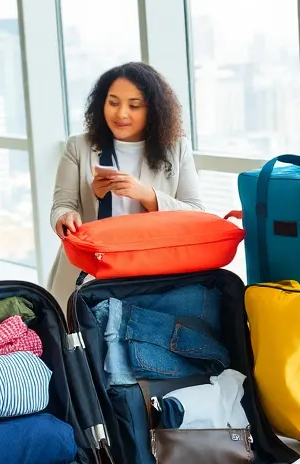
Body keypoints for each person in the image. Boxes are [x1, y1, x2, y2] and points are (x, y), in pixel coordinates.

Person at [47, 62, 205, 304]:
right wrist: (66, 217)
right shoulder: (78, 146)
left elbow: (197, 214)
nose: (121, 114)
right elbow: (62, 205)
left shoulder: (177, 148)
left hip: (152, 278)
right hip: (85, 276)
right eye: (113, 103)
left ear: (153, 109)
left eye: (134, 105)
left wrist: (146, 195)